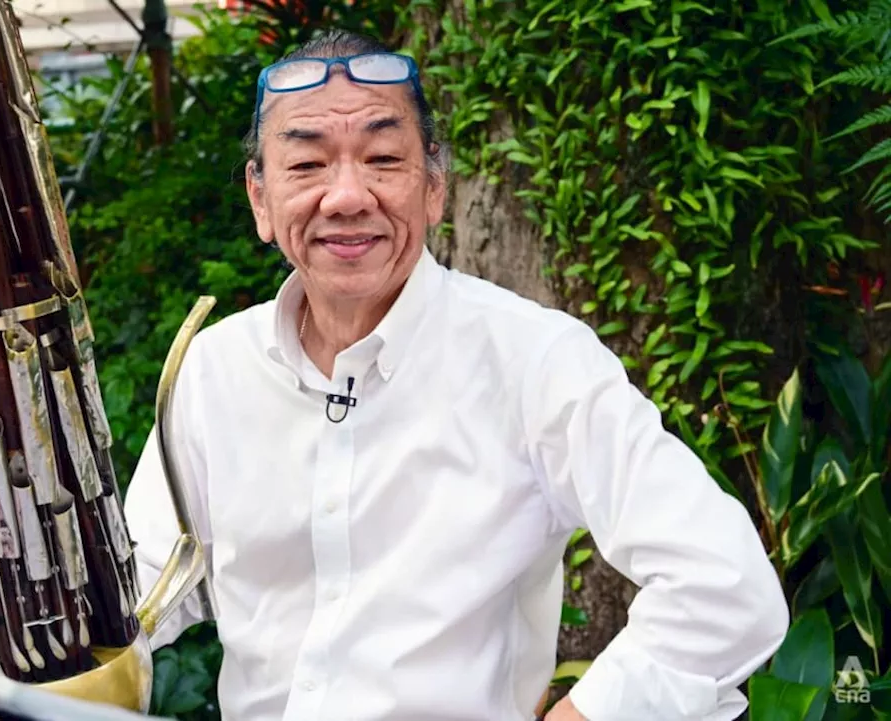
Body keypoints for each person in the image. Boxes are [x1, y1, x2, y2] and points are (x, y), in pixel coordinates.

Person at [121, 29, 789, 721]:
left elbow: (726, 585)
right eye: (308, 165)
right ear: (260, 199)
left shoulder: (534, 360)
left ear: (434, 188)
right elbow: (137, 597)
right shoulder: (214, 370)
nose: (347, 196)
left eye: (383, 158)